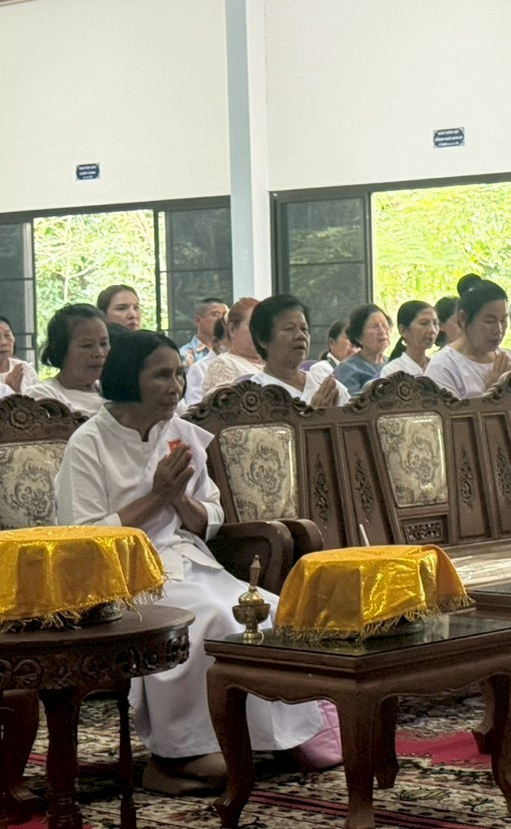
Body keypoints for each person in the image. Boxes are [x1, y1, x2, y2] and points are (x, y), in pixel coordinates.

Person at [54, 330, 330, 794]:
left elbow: (212, 518)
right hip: (122, 573)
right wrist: (156, 495)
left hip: (186, 557)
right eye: (161, 375)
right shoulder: (90, 442)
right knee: (208, 616)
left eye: (179, 374)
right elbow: (84, 538)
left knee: (265, 607)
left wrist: (180, 499)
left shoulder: (181, 434)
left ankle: (271, 738)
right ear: (128, 378)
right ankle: (177, 752)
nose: (175, 386)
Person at [424, 279, 511, 397]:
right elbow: (446, 415)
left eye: (503, 321)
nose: (499, 330)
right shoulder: (443, 367)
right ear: (463, 319)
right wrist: (494, 392)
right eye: (490, 321)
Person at [247, 295, 349, 407]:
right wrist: (314, 415)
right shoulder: (251, 397)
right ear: (262, 339)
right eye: (289, 328)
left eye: (304, 329)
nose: (301, 336)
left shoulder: (327, 388)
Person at [30, 305, 111, 416]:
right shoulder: (43, 395)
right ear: (61, 350)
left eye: (103, 344)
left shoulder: (112, 392)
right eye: (87, 345)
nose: (99, 353)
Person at [199, 299, 264, 398]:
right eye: (253, 325)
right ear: (232, 329)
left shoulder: (274, 363)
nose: (260, 331)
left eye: (264, 325)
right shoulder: (224, 364)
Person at [332, 305, 393, 395]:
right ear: (358, 337)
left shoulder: (393, 363)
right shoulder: (348, 368)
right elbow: (352, 406)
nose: (382, 331)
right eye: (375, 327)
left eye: (384, 325)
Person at [380, 301, 441, 379]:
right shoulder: (392, 371)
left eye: (435, 323)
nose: (432, 330)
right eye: (424, 323)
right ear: (403, 331)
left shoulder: (438, 367)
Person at [305, 319, 355, 388]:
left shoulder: (359, 371)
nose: (354, 344)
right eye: (348, 338)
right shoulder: (321, 370)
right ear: (331, 343)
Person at [179, 298, 228, 369]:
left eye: (225, 315)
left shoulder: (231, 351)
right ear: (198, 320)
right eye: (216, 314)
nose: (221, 319)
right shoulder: (185, 354)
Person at [0, 315, 38, 396]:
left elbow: (37, 404)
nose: (3, 342)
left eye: (7, 335)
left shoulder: (25, 369)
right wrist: (8, 391)